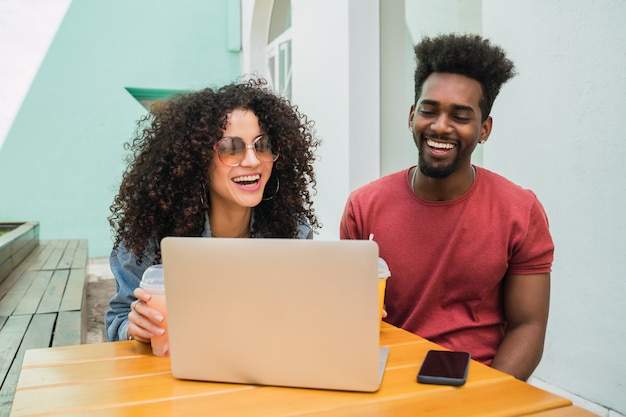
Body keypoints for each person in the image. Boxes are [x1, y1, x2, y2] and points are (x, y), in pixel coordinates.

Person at [340, 34, 554, 381]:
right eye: (429, 110)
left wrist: (486, 402)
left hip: (480, 384)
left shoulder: (520, 210)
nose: (440, 126)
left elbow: (527, 326)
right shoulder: (363, 207)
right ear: (412, 116)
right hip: (386, 382)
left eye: (460, 116)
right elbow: (349, 317)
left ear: (484, 129)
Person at [106, 78, 320, 344]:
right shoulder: (151, 236)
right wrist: (133, 327)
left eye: (263, 145)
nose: (253, 161)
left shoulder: (292, 231)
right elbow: (118, 318)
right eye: (231, 148)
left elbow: (298, 320)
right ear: (197, 159)